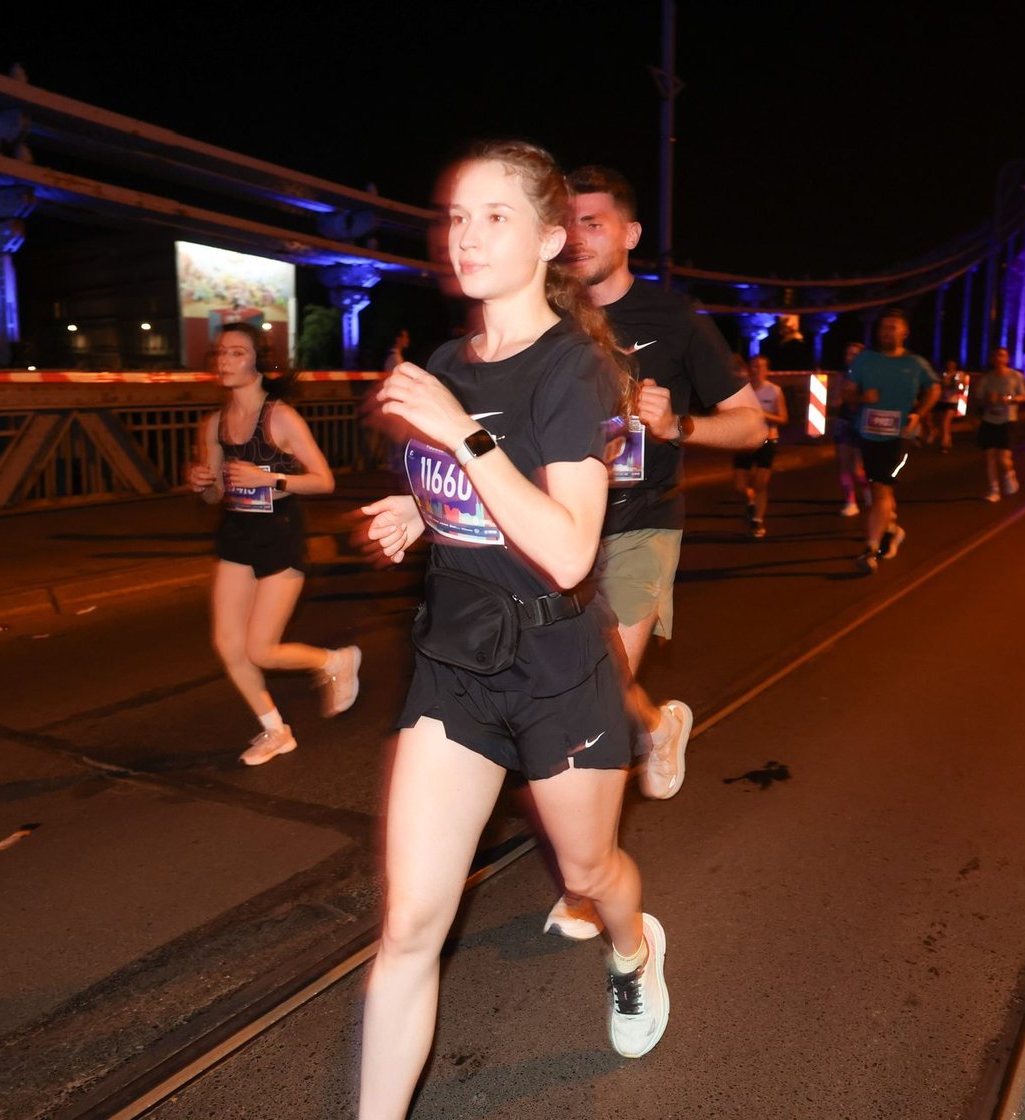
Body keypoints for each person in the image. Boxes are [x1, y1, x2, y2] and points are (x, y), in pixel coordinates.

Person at [356, 141, 669, 1118]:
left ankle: (633, 948)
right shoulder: (449, 364)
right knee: (409, 924)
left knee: (589, 872)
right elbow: (475, 494)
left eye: (496, 217)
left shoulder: (575, 370)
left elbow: (570, 550)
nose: (468, 235)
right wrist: (420, 509)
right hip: (455, 661)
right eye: (458, 215)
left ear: (546, 240)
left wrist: (461, 433)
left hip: (555, 667)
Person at [558, 164, 765, 809]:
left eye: (593, 224)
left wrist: (678, 426)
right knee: (565, 678)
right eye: (566, 223)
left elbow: (752, 425)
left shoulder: (675, 317)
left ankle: (588, 866)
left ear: (631, 235)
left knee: (592, 684)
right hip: (555, 522)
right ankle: (655, 724)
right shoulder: (543, 316)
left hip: (640, 519)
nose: (576, 237)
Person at [187, 323, 361, 766]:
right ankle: (275, 730)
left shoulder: (280, 417)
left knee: (261, 649)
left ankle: (334, 661)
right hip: (235, 533)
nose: (225, 360)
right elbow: (214, 495)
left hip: (280, 533)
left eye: (237, 353)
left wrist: (272, 479)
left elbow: (324, 480)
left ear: (258, 362)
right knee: (228, 645)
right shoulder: (214, 424)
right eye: (221, 353)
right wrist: (202, 482)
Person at [845, 308, 939, 572]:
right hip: (868, 433)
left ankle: (871, 549)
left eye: (893, 327)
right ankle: (892, 530)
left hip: (900, 435)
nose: (887, 331)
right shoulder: (865, 360)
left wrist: (919, 414)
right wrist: (862, 398)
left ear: (904, 332)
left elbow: (934, 388)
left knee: (881, 488)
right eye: (883, 327)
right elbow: (847, 393)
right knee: (879, 489)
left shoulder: (915, 363)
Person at [733, 353, 789, 538]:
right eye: (754, 366)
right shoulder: (741, 390)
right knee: (740, 486)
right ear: (749, 369)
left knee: (761, 484)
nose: (757, 370)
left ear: (767, 370)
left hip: (767, 440)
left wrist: (762, 414)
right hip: (744, 441)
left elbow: (783, 418)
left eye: (761, 366)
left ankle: (757, 521)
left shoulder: (774, 391)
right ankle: (750, 500)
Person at [972, 346, 1025, 501]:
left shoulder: (1016, 376)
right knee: (989, 457)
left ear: (1007, 358)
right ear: (992, 359)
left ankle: (1009, 473)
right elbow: (978, 399)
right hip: (989, 420)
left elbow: (1024, 396)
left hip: (1007, 420)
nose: (999, 358)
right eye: (996, 355)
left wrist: (1009, 399)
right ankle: (994, 490)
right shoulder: (987, 378)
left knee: (1003, 458)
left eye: (1002, 355)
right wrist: (988, 400)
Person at [833, 340, 870, 517]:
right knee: (844, 465)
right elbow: (834, 402)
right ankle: (850, 501)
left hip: (862, 424)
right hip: (844, 423)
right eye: (848, 354)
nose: (850, 358)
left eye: (855, 354)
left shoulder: (869, 377)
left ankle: (867, 490)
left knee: (857, 469)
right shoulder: (841, 377)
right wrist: (841, 391)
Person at [930, 358, 966, 452]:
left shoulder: (959, 374)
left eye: (952, 363)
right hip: (942, 400)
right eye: (949, 363)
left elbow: (961, 387)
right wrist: (943, 382)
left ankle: (944, 444)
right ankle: (947, 439)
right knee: (940, 422)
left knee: (945, 422)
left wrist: (955, 383)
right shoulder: (942, 374)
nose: (950, 365)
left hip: (952, 401)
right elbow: (937, 385)